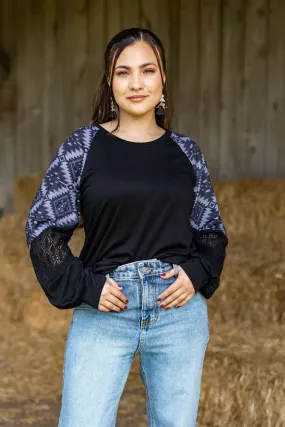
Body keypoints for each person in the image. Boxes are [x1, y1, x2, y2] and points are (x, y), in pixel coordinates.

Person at [25, 27, 228, 427]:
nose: (136, 83)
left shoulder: (186, 152)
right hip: (104, 309)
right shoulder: (82, 147)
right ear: (109, 81)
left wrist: (196, 272)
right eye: (123, 72)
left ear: (163, 78)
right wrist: (87, 286)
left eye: (147, 70)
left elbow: (211, 233)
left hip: (178, 313)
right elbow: (43, 226)